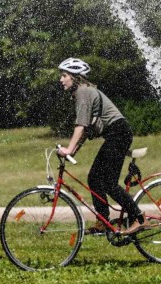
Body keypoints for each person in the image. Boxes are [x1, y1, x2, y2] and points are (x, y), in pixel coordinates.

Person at [56, 57, 150, 235]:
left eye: (64, 75)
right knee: (94, 178)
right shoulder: (82, 93)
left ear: (75, 77)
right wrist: (73, 151)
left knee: (109, 183)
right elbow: (86, 129)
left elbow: (81, 126)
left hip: (118, 134)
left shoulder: (83, 92)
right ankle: (103, 221)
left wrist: (69, 149)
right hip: (116, 135)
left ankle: (139, 218)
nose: (61, 80)